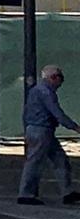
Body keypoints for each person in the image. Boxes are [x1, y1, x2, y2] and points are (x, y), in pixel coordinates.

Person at [18, 66, 79, 206]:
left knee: (60, 160)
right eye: (60, 78)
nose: (61, 82)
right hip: (42, 130)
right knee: (35, 162)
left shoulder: (36, 91)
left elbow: (26, 112)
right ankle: (26, 194)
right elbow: (56, 112)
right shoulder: (46, 92)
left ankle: (67, 192)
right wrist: (74, 127)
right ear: (53, 77)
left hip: (38, 129)